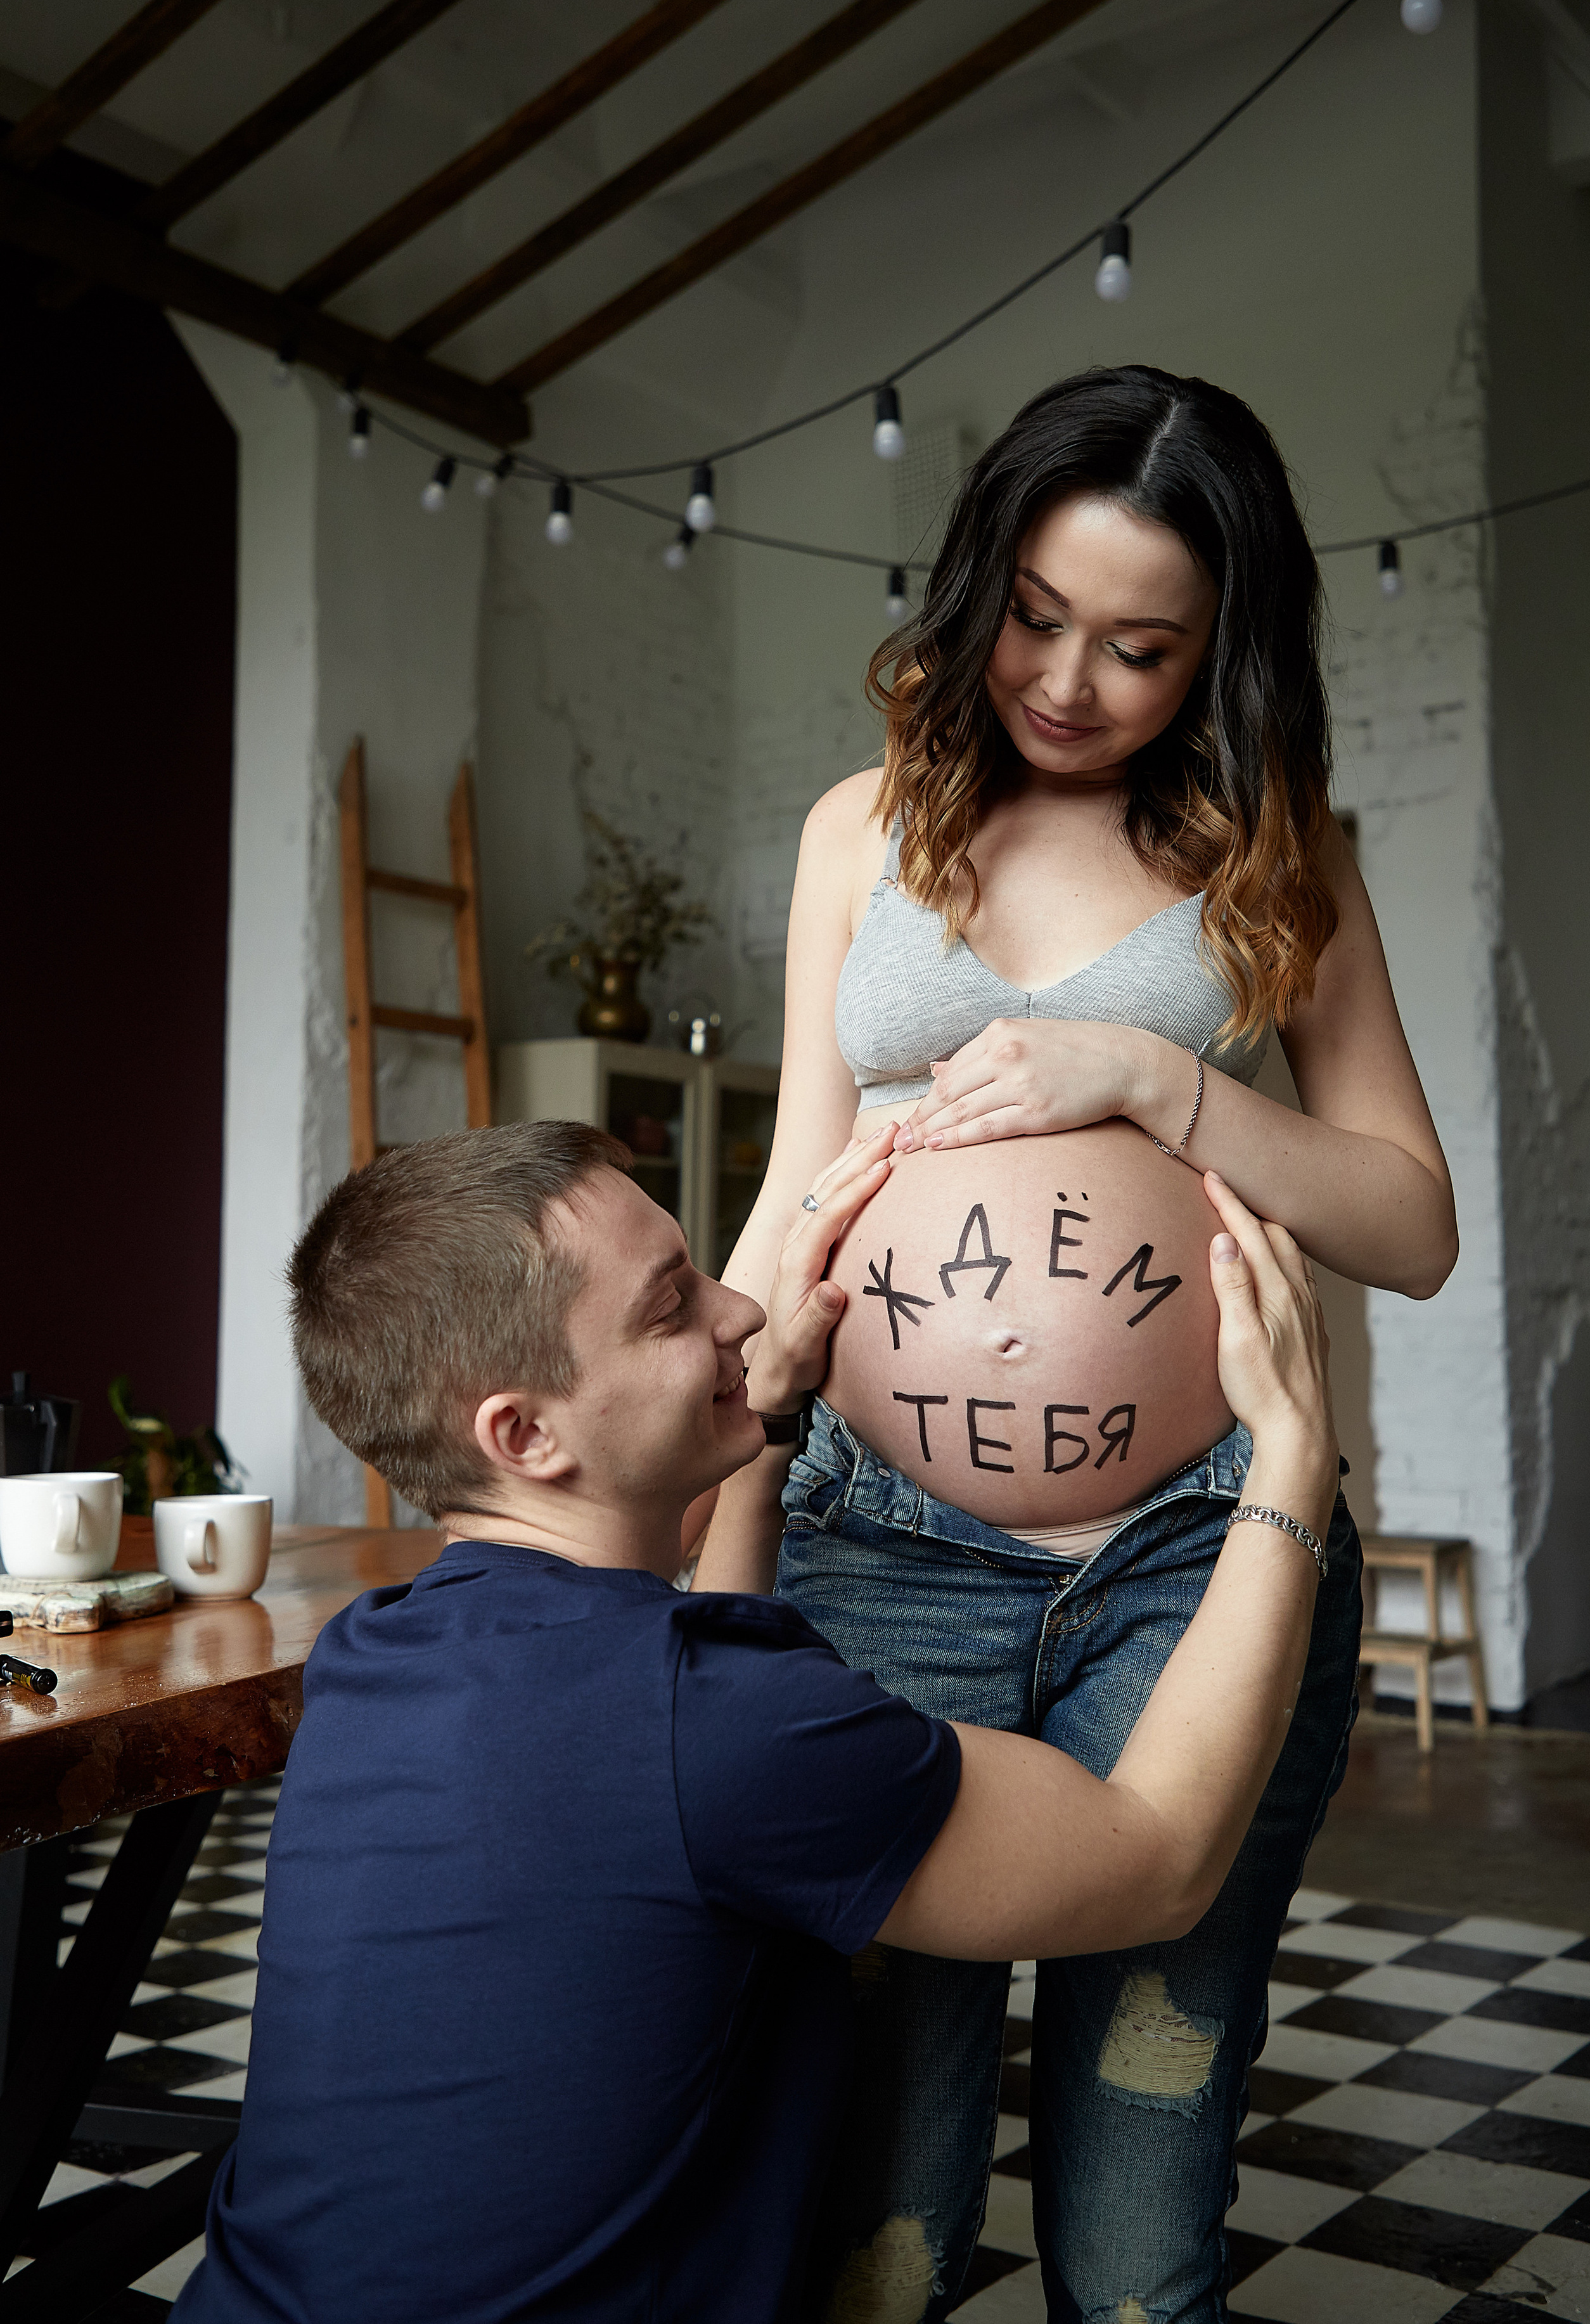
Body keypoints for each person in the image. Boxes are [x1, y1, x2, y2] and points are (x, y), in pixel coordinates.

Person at [701, 365, 1458, 2319]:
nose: (1064, 680)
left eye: (1138, 647)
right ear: (980, 581)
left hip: (1197, 1563)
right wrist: (693, 1450)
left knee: (1136, 2226)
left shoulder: (1279, 854)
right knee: (877, 2194)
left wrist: (1158, 1077)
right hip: (874, 1550)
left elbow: (1414, 1222)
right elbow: (798, 1174)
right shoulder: (862, 832)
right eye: (1036, 615)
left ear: (1225, 652)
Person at [175, 1116, 1338, 2324]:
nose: (741, 1311)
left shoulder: (373, 1655)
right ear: (523, 1433)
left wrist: (762, 1424)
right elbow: (1153, 1859)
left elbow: (679, 1718)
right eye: (671, 1308)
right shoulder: (722, 1729)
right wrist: (1294, 1458)